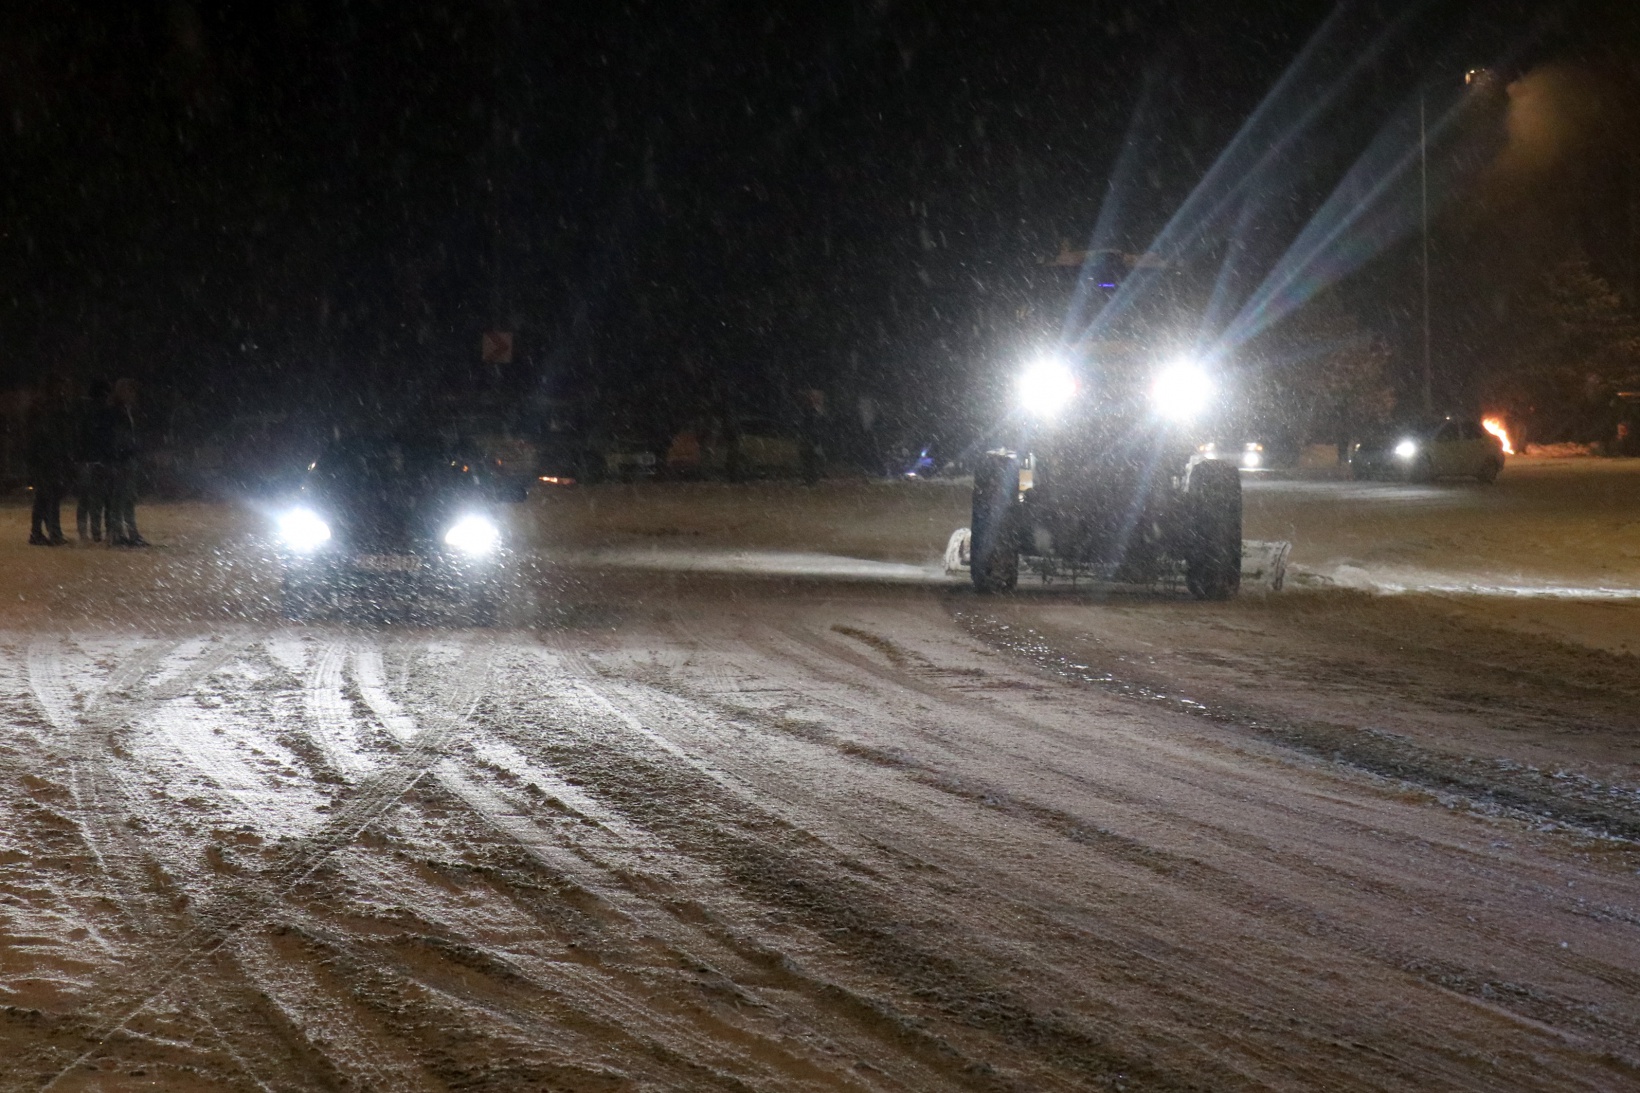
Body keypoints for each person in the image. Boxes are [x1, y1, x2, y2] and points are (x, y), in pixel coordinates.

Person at [25, 380, 72, 545]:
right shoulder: (50, 411)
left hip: (47, 459)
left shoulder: (45, 410)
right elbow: (44, 437)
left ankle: (40, 532)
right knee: (50, 497)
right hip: (48, 459)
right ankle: (51, 532)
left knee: (45, 497)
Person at [106, 378, 148, 547]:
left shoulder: (128, 411)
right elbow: (116, 438)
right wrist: (120, 454)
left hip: (128, 458)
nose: (131, 394)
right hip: (121, 459)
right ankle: (117, 534)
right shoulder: (116, 411)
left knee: (128, 497)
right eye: (128, 391)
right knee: (119, 498)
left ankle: (131, 533)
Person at [75, 378, 114, 543]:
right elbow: (104, 437)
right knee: (102, 498)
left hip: (87, 459)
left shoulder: (83, 411)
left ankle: (87, 532)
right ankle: (100, 532)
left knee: (87, 497)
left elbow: (81, 436)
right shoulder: (104, 412)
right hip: (97, 458)